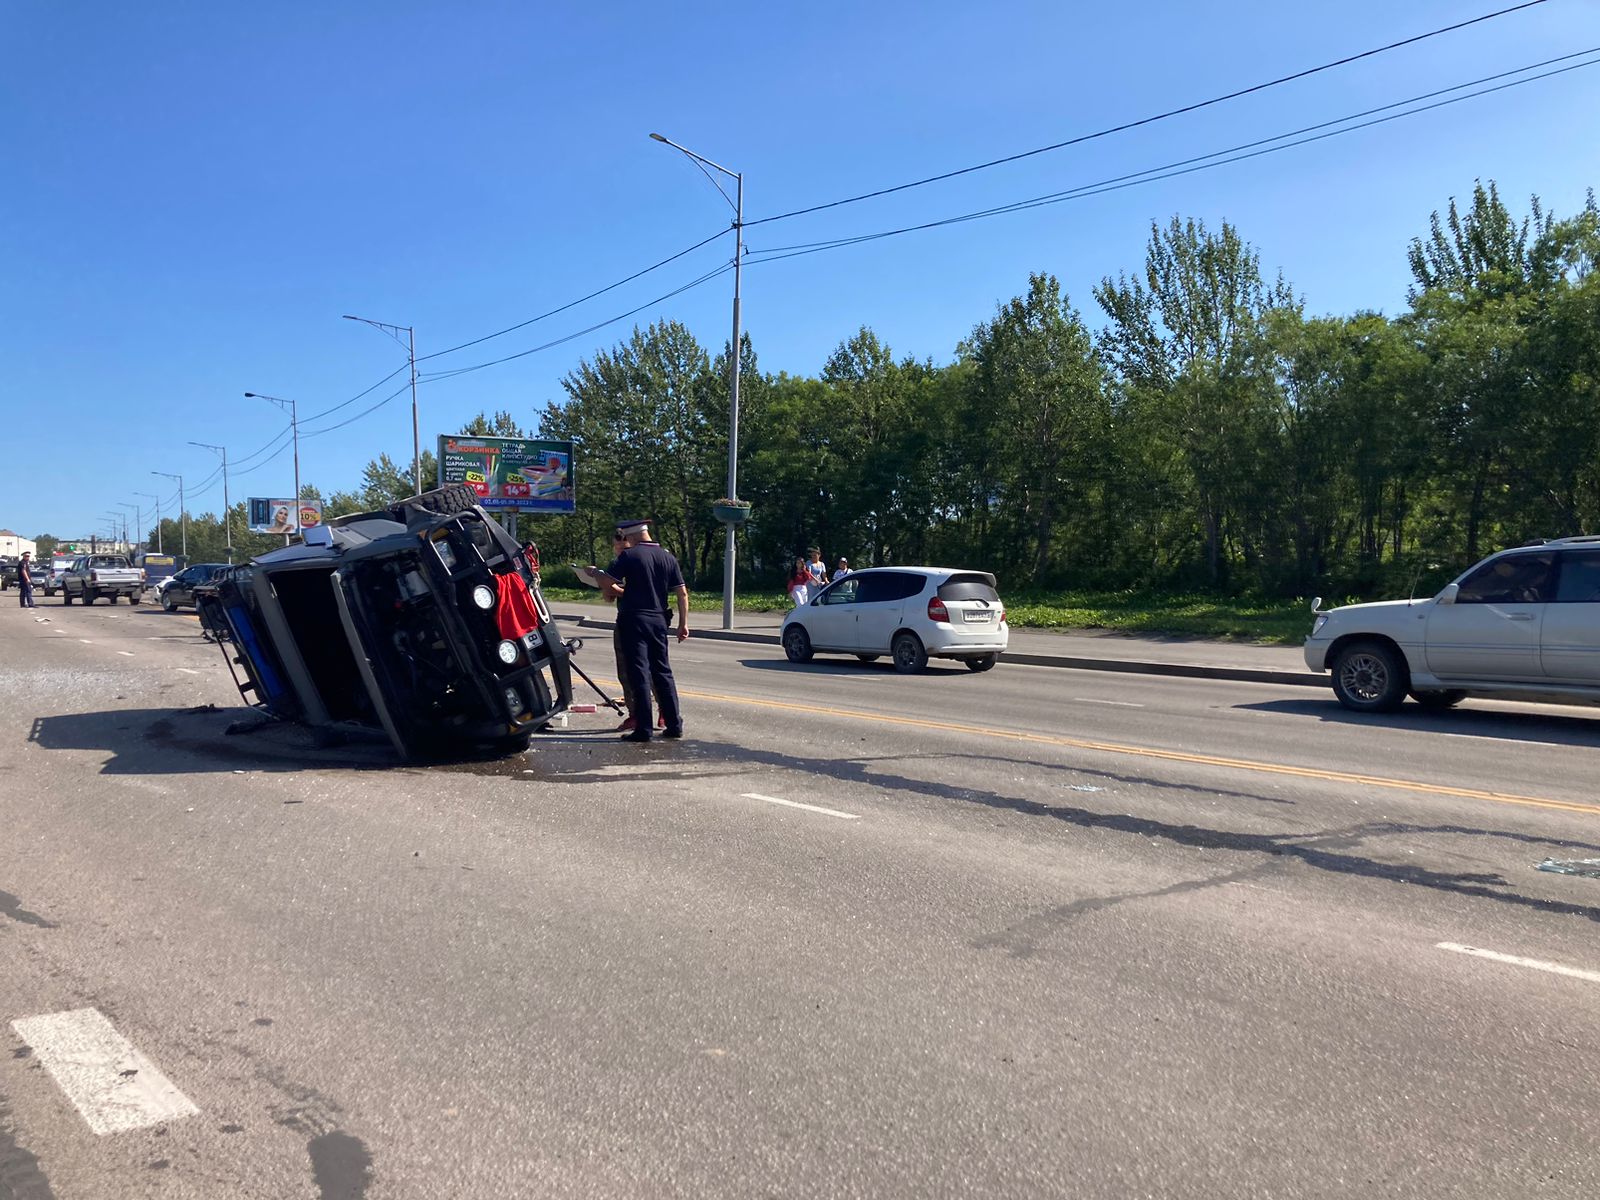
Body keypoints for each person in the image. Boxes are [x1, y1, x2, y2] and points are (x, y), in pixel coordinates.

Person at [602, 520, 688, 742]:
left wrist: (597, 575)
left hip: (634, 619)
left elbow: (608, 583)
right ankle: (674, 724)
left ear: (631, 536)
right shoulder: (668, 557)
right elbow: (682, 593)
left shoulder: (629, 556)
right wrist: (683, 624)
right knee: (663, 672)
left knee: (638, 673)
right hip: (660, 619)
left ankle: (644, 729)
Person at [599, 531, 665, 733]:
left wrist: (610, 585)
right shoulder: (618, 564)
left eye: (623, 544)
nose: (620, 548)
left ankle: (663, 710)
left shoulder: (638, 560)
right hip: (626, 619)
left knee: (651, 670)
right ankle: (635, 714)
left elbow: (643, 593)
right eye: (616, 545)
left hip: (643, 620)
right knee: (626, 672)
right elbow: (609, 598)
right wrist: (604, 585)